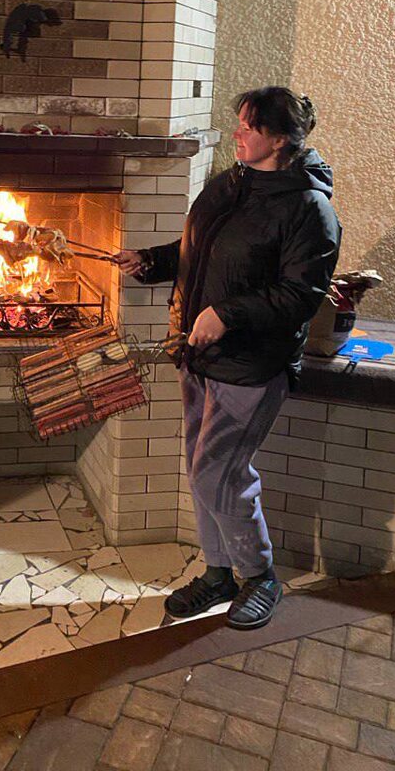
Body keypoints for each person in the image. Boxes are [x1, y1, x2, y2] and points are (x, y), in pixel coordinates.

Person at [116, 87, 341, 629]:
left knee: (218, 471)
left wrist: (227, 314)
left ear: (280, 139)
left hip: (251, 364)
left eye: (248, 126)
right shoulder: (230, 184)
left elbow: (300, 296)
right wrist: (150, 262)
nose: (237, 133)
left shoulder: (309, 209)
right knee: (202, 471)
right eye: (238, 122)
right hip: (199, 356)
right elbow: (198, 251)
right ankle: (219, 574)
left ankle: (260, 577)